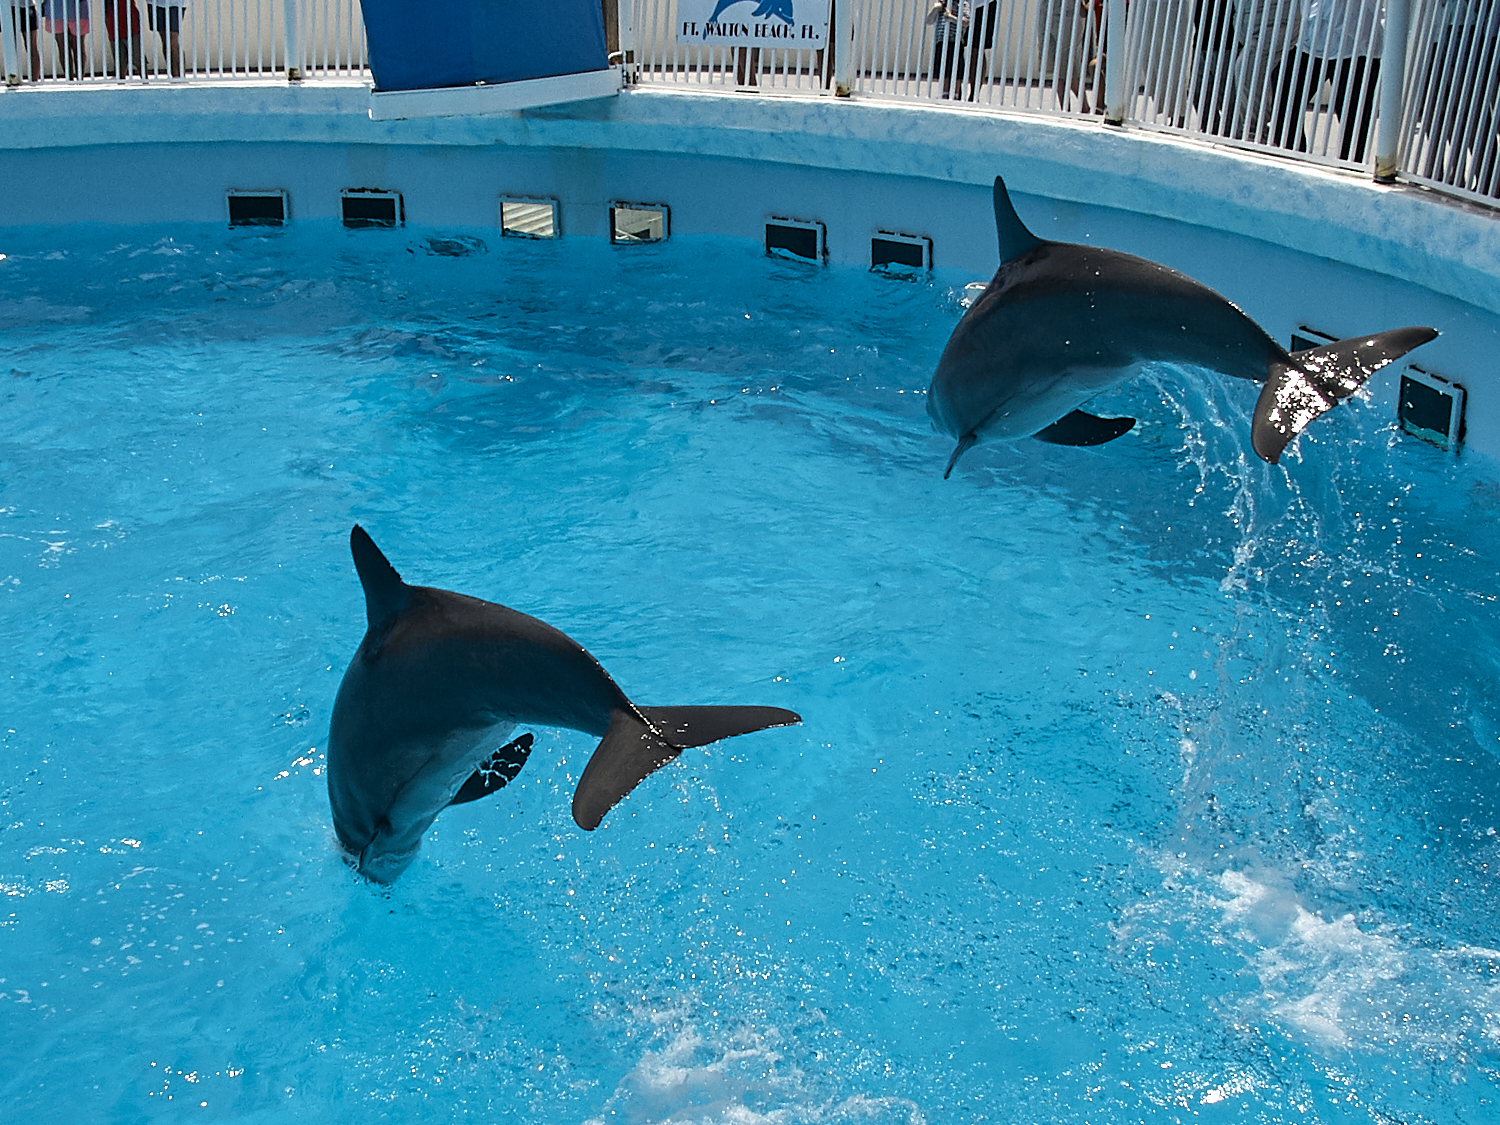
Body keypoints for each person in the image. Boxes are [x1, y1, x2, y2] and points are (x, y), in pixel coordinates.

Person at [1271, 0, 1382, 162]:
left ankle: (1350, 165)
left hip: (1356, 44)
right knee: (1283, 85)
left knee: (1353, 112)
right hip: (1315, 38)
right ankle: (1294, 156)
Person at [39, 0, 87, 78]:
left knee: (77, 46)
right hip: (55, 8)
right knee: (64, 47)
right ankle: (70, 78)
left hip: (77, 8)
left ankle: (79, 77)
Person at [4, 0, 44, 80]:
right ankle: (13, 78)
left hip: (27, 5)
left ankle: (34, 81)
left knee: (31, 46)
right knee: (11, 46)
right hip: (8, 8)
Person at [101, 0, 141, 77]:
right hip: (113, 24)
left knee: (137, 58)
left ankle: (145, 82)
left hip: (130, 24)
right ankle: (121, 83)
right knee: (120, 61)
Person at [146, 0, 182, 76]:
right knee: (165, 39)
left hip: (176, 3)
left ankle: (178, 74)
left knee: (173, 38)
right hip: (155, 3)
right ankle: (173, 73)